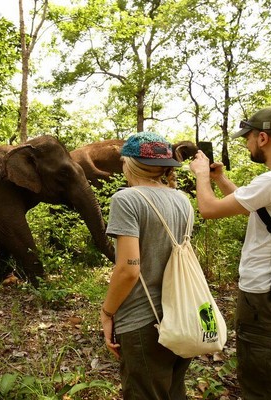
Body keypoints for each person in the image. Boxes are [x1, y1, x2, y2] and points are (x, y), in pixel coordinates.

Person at [190, 105, 271, 400]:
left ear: (262, 138)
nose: (246, 144)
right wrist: (220, 178)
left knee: (263, 383)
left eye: (247, 138)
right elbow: (255, 207)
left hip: (267, 297)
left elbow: (208, 210)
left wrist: (201, 176)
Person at [100, 131, 194, 399]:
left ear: (129, 163)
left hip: (143, 322)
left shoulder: (127, 199)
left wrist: (107, 312)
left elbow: (129, 269)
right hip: (181, 316)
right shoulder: (182, 200)